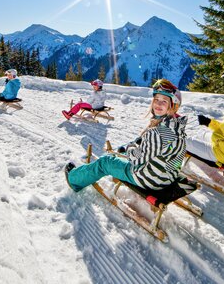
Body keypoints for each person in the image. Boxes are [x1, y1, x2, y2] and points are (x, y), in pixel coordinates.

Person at [64, 79, 196, 201]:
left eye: (164, 101)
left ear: (173, 106)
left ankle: (74, 179)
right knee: (126, 152)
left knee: (106, 162)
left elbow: (137, 159)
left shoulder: (157, 132)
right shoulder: (178, 127)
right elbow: (163, 152)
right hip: (168, 177)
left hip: (150, 180)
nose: (158, 104)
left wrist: (129, 149)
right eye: (156, 99)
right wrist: (142, 144)